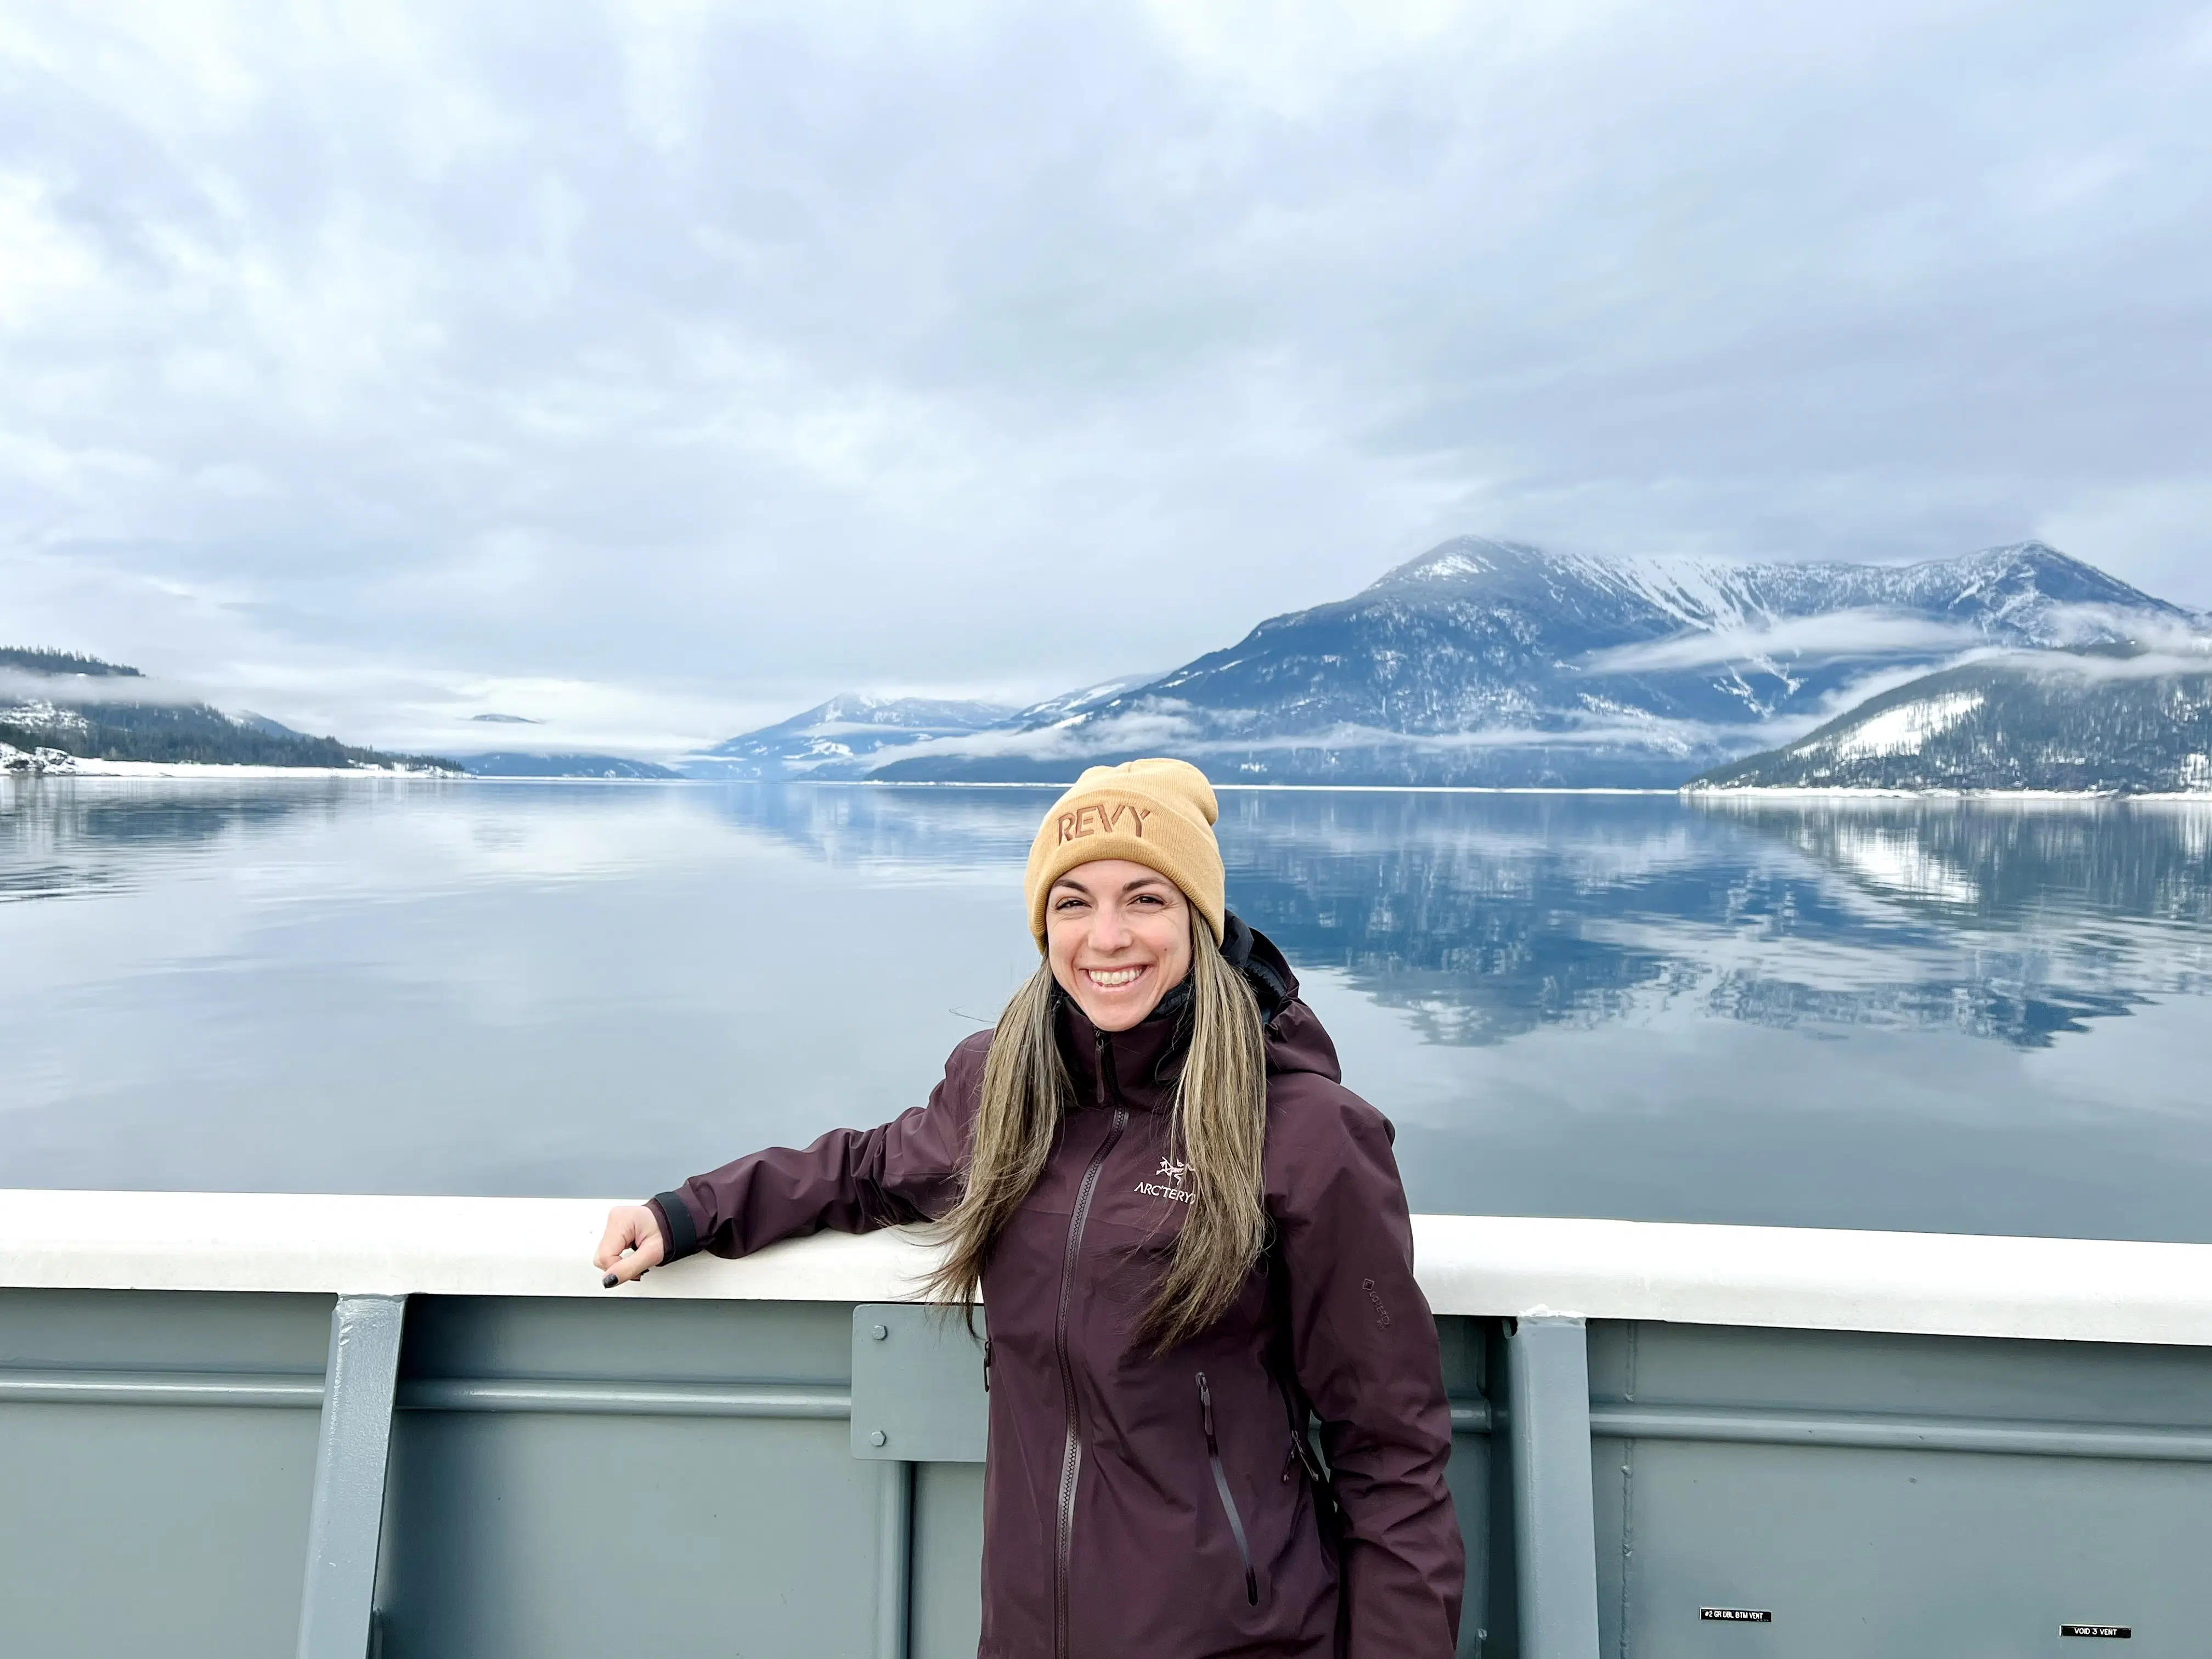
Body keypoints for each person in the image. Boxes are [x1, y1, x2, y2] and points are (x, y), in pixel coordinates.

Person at [595, 758, 1464, 1658]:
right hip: (1026, 1633)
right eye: (1073, 903)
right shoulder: (1008, 1089)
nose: (1107, 937)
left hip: (1239, 1638)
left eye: (1147, 899)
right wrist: (688, 1213)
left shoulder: (1306, 1133)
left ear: (1201, 921)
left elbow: (1392, 1454)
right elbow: (868, 1169)